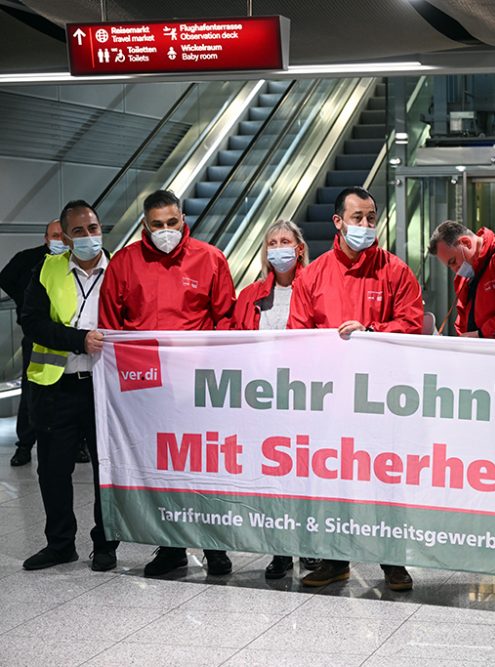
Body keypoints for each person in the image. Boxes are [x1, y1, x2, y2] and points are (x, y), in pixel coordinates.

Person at [288, 186, 422, 592]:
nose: (366, 225)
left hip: (383, 399)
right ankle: (334, 560)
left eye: (371, 217)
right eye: (357, 218)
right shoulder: (312, 275)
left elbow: (414, 325)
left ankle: (393, 562)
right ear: (338, 222)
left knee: (386, 480)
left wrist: (371, 332)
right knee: (333, 479)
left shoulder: (395, 270)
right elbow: (297, 336)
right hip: (331, 399)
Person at [98, 189, 236, 578]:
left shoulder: (210, 259)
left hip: (199, 385)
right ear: (145, 224)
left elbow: (226, 318)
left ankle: (216, 547)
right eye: (156, 225)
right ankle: (171, 546)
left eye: (171, 223)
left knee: (205, 467)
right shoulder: (124, 263)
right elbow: (111, 326)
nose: (165, 231)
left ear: (183, 219)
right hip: (146, 389)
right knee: (160, 468)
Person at [19, 201, 119, 571]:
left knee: (105, 468)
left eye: (93, 228)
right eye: (79, 231)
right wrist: (78, 340)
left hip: (105, 388)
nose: (89, 237)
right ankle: (60, 543)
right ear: (64, 236)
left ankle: (106, 543)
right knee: (53, 469)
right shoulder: (47, 269)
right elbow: (32, 322)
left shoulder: (119, 270)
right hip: (56, 386)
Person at [225, 219, 322, 579]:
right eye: (272, 242)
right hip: (263, 400)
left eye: (285, 241)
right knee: (274, 477)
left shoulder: (316, 288)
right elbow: (235, 341)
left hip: (306, 397)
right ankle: (279, 549)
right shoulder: (250, 295)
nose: (278, 247)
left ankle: (311, 547)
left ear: (299, 248)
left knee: (308, 476)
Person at [1, 220, 75, 467]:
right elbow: (6, 279)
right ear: (46, 238)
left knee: (75, 393)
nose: (58, 241)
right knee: (32, 392)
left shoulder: (74, 261)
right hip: (38, 339)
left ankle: (79, 446)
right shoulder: (30, 259)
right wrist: (26, 300)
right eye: (54, 236)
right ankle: (24, 445)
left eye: (61, 236)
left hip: (72, 337)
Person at [427, 220, 495, 340]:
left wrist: (482, 334)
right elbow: (463, 320)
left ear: (466, 242)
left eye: (453, 261)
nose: (455, 270)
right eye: (450, 266)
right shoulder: (464, 278)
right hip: (484, 350)